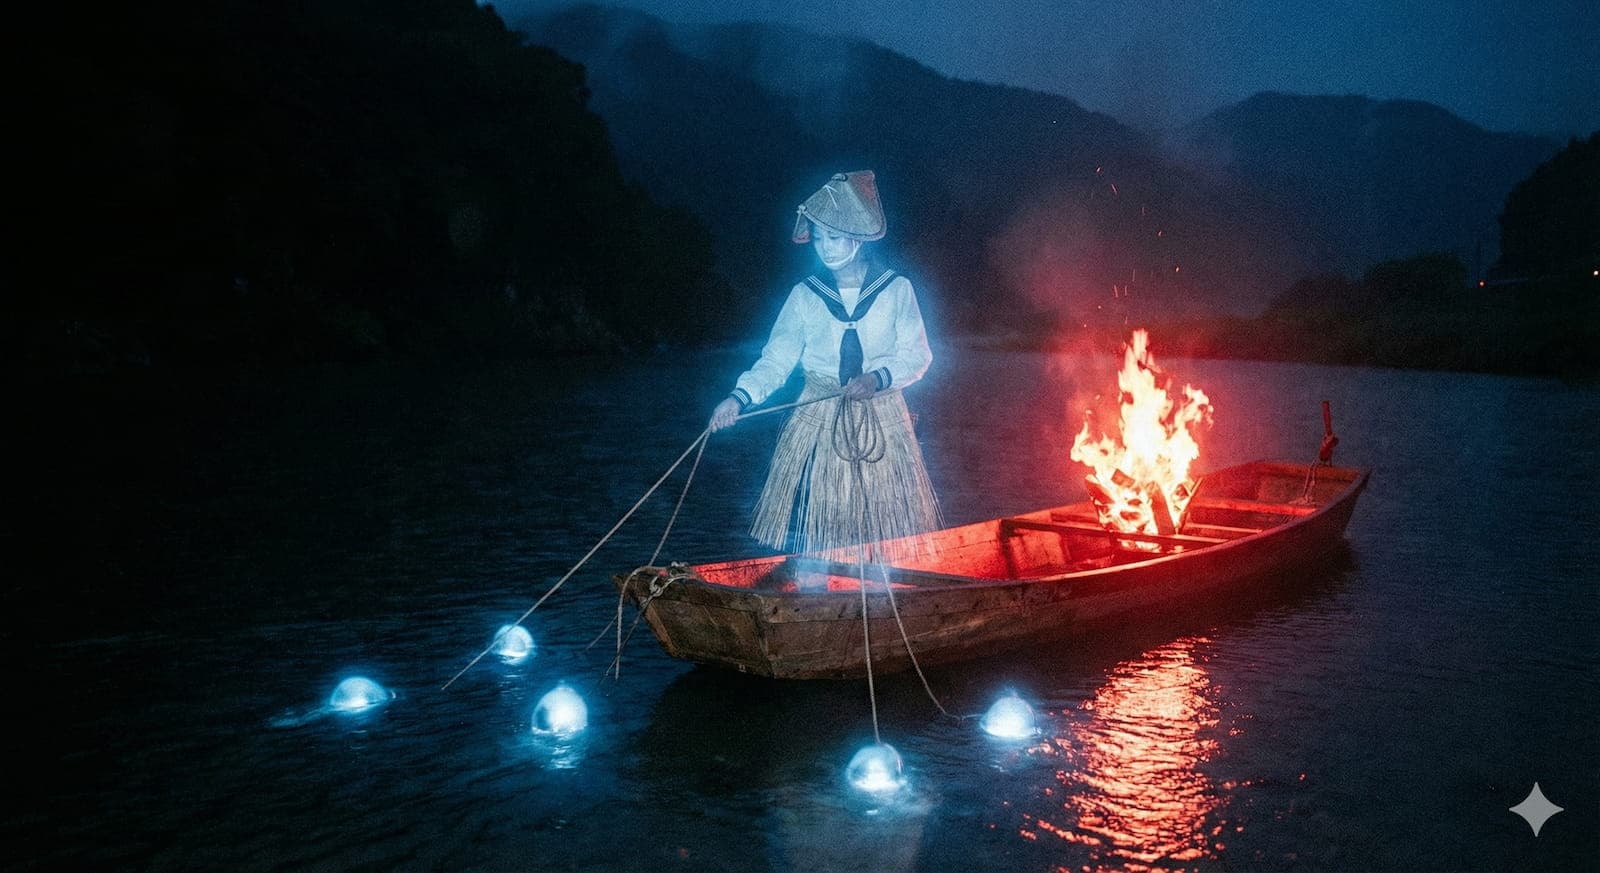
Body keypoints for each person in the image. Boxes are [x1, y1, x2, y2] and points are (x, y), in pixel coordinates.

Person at [708, 170, 941, 557]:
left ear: (857, 239)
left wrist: (878, 378)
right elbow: (777, 359)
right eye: (818, 239)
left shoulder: (896, 289)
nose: (826, 248)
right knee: (829, 524)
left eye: (834, 237)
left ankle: (897, 590)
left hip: (881, 415)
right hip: (820, 412)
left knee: (890, 531)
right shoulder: (805, 296)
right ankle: (828, 587)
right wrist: (738, 398)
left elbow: (918, 355)